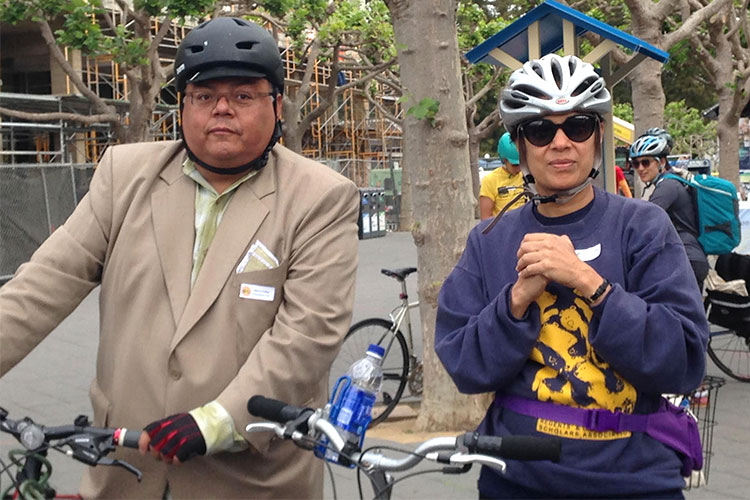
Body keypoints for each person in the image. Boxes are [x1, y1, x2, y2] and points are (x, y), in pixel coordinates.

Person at [0, 17, 359, 499]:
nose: (222, 110)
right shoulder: (124, 176)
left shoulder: (321, 198)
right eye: (204, 96)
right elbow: (43, 282)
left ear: (277, 105)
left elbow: (308, 335)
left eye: (244, 96)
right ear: (184, 105)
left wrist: (214, 421)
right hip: (125, 467)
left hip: (248, 477)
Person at [435, 54, 708, 499]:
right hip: (519, 477)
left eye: (577, 126)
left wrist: (591, 284)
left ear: (598, 134)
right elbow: (464, 365)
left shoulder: (643, 226)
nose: (561, 143)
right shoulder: (490, 240)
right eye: (541, 130)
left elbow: (684, 361)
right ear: (520, 144)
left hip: (636, 478)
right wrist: (515, 302)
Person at [630, 132, 709, 289]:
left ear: (662, 162)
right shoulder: (665, 183)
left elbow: (644, 220)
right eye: (635, 163)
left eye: (646, 162)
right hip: (684, 258)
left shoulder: (668, 186)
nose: (640, 168)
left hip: (687, 259)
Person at [479, 132, 525, 219]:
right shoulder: (490, 180)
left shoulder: (527, 176)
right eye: (514, 165)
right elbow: (485, 218)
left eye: (521, 163)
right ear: (504, 159)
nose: (519, 168)